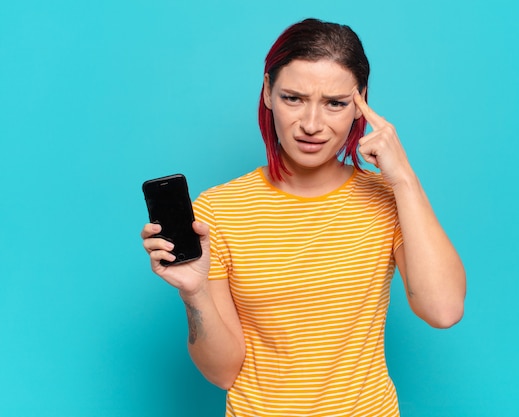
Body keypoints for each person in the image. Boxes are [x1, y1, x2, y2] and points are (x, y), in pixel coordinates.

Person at [141, 18, 466, 417]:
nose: (312, 125)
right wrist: (195, 294)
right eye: (294, 98)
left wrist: (404, 178)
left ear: (361, 102)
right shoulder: (218, 211)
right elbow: (223, 373)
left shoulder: (388, 198)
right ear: (267, 92)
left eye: (335, 103)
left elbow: (444, 310)